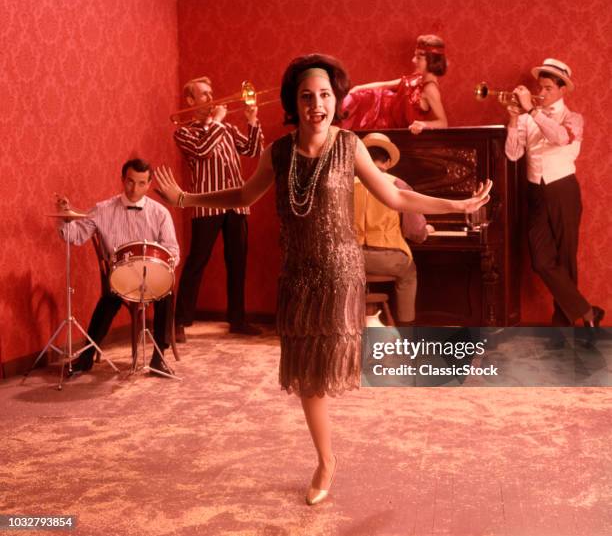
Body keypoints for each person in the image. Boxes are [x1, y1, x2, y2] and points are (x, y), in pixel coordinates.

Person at [154, 54, 491, 505]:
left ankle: (407, 354)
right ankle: (326, 460)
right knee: (310, 375)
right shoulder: (279, 151)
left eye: (326, 96)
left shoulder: (349, 145)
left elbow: (393, 195)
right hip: (297, 275)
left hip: (340, 270)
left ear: (336, 100)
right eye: (308, 96)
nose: (318, 104)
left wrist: (456, 206)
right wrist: (186, 197)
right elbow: (243, 194)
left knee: (342, 361)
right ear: (295, 103)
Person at [504, 58, 604, 331]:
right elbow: (513, 154)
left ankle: (563, 323)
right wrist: (514, 117)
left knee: (566, 257)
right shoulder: (526, 117)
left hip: (563, 190)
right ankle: (586, 311)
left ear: (563, 90)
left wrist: (531, 112)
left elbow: (560, 138)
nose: (542, 93)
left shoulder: (573, 118)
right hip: (535, 192)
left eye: (548, 88)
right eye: (541, 87)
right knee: (541, 261)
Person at [57, 158, 180, 376]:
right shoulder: (102, 209)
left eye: (142, 183)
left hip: (151, 277)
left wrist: (163, 269)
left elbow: (173, 251)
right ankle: (85, 359)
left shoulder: (161, 213)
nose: (135, 189)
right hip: (119, 279)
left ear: (149, 184)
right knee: (108, 300)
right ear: (123, 180)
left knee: (166, 292)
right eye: (131, 182)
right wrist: (64, 217)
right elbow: (74, 237)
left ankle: (158, 358)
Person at [173, 75, 264, 340]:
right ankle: (180, 321)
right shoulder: (184, 131)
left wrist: (252, 120)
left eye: (211, 93)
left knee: (238, 264)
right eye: (203, 94)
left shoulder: (225, 128)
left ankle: (237, 320)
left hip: (237, 204)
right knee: (196, 262)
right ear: (190, 101)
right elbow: (202, 149)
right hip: (207, 206)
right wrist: (216, 121)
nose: (211, 98)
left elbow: (253, 149)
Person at [354, 132, 430, 325]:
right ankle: (406, 328)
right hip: (388, 257)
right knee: (408, 273)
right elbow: (416, 232)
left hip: (352, 257)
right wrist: (426, 230)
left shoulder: (347, 185)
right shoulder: (397, 184)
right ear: (387, 162)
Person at [342, 34, 448, 133]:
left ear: (431, 60)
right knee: (355, 98)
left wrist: (423, 124)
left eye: (419, 58)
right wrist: (358, 88)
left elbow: (443, 123)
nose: (413, 60)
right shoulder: (417, 77)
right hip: (376, 112)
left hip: (387, 126)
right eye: (415, 56)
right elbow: (385, 85)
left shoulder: (430, 88)